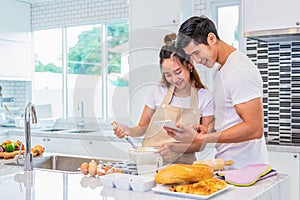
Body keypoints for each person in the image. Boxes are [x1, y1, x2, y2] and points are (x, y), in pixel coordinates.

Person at [165, 15, 268, 169]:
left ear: (211, 39)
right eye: (192, 56)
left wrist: (204, 138)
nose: (197, 61)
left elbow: (254, 128)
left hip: (247, 169)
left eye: (197, 52)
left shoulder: (239, 70)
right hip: (229, 164)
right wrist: (205, 129)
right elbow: (228, 119)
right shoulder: (220, 70)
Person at [113, 33, 214, 164]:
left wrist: (174, 148)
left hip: (183, 167)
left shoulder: (205, 97)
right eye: (168, 75)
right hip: (149, 164)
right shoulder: (157, 90)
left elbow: (200, 144)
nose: (174, 79)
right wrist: (129, 130)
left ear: (189, 64)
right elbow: (142, 128)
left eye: (178, 72)